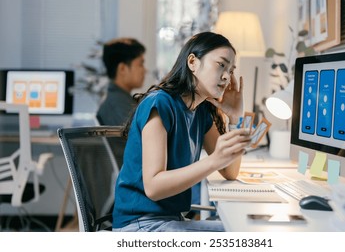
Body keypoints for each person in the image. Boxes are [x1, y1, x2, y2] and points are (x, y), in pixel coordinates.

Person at [112, 31, 251, 232]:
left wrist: (236, 119)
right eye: (221, 65)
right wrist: (213, 160)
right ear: (193, 62)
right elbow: (154, 187)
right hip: (139, 225)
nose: (226, 76)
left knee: (244, 232)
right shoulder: (159, 104)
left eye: (230, 70)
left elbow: (230, 171)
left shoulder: (201, 111)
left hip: (170, 221)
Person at [96, 37, 146, 167]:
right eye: (140, 64)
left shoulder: (119, 99)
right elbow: (145, 144)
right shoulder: (118, 104)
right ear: (123, 68)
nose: (144, 70)